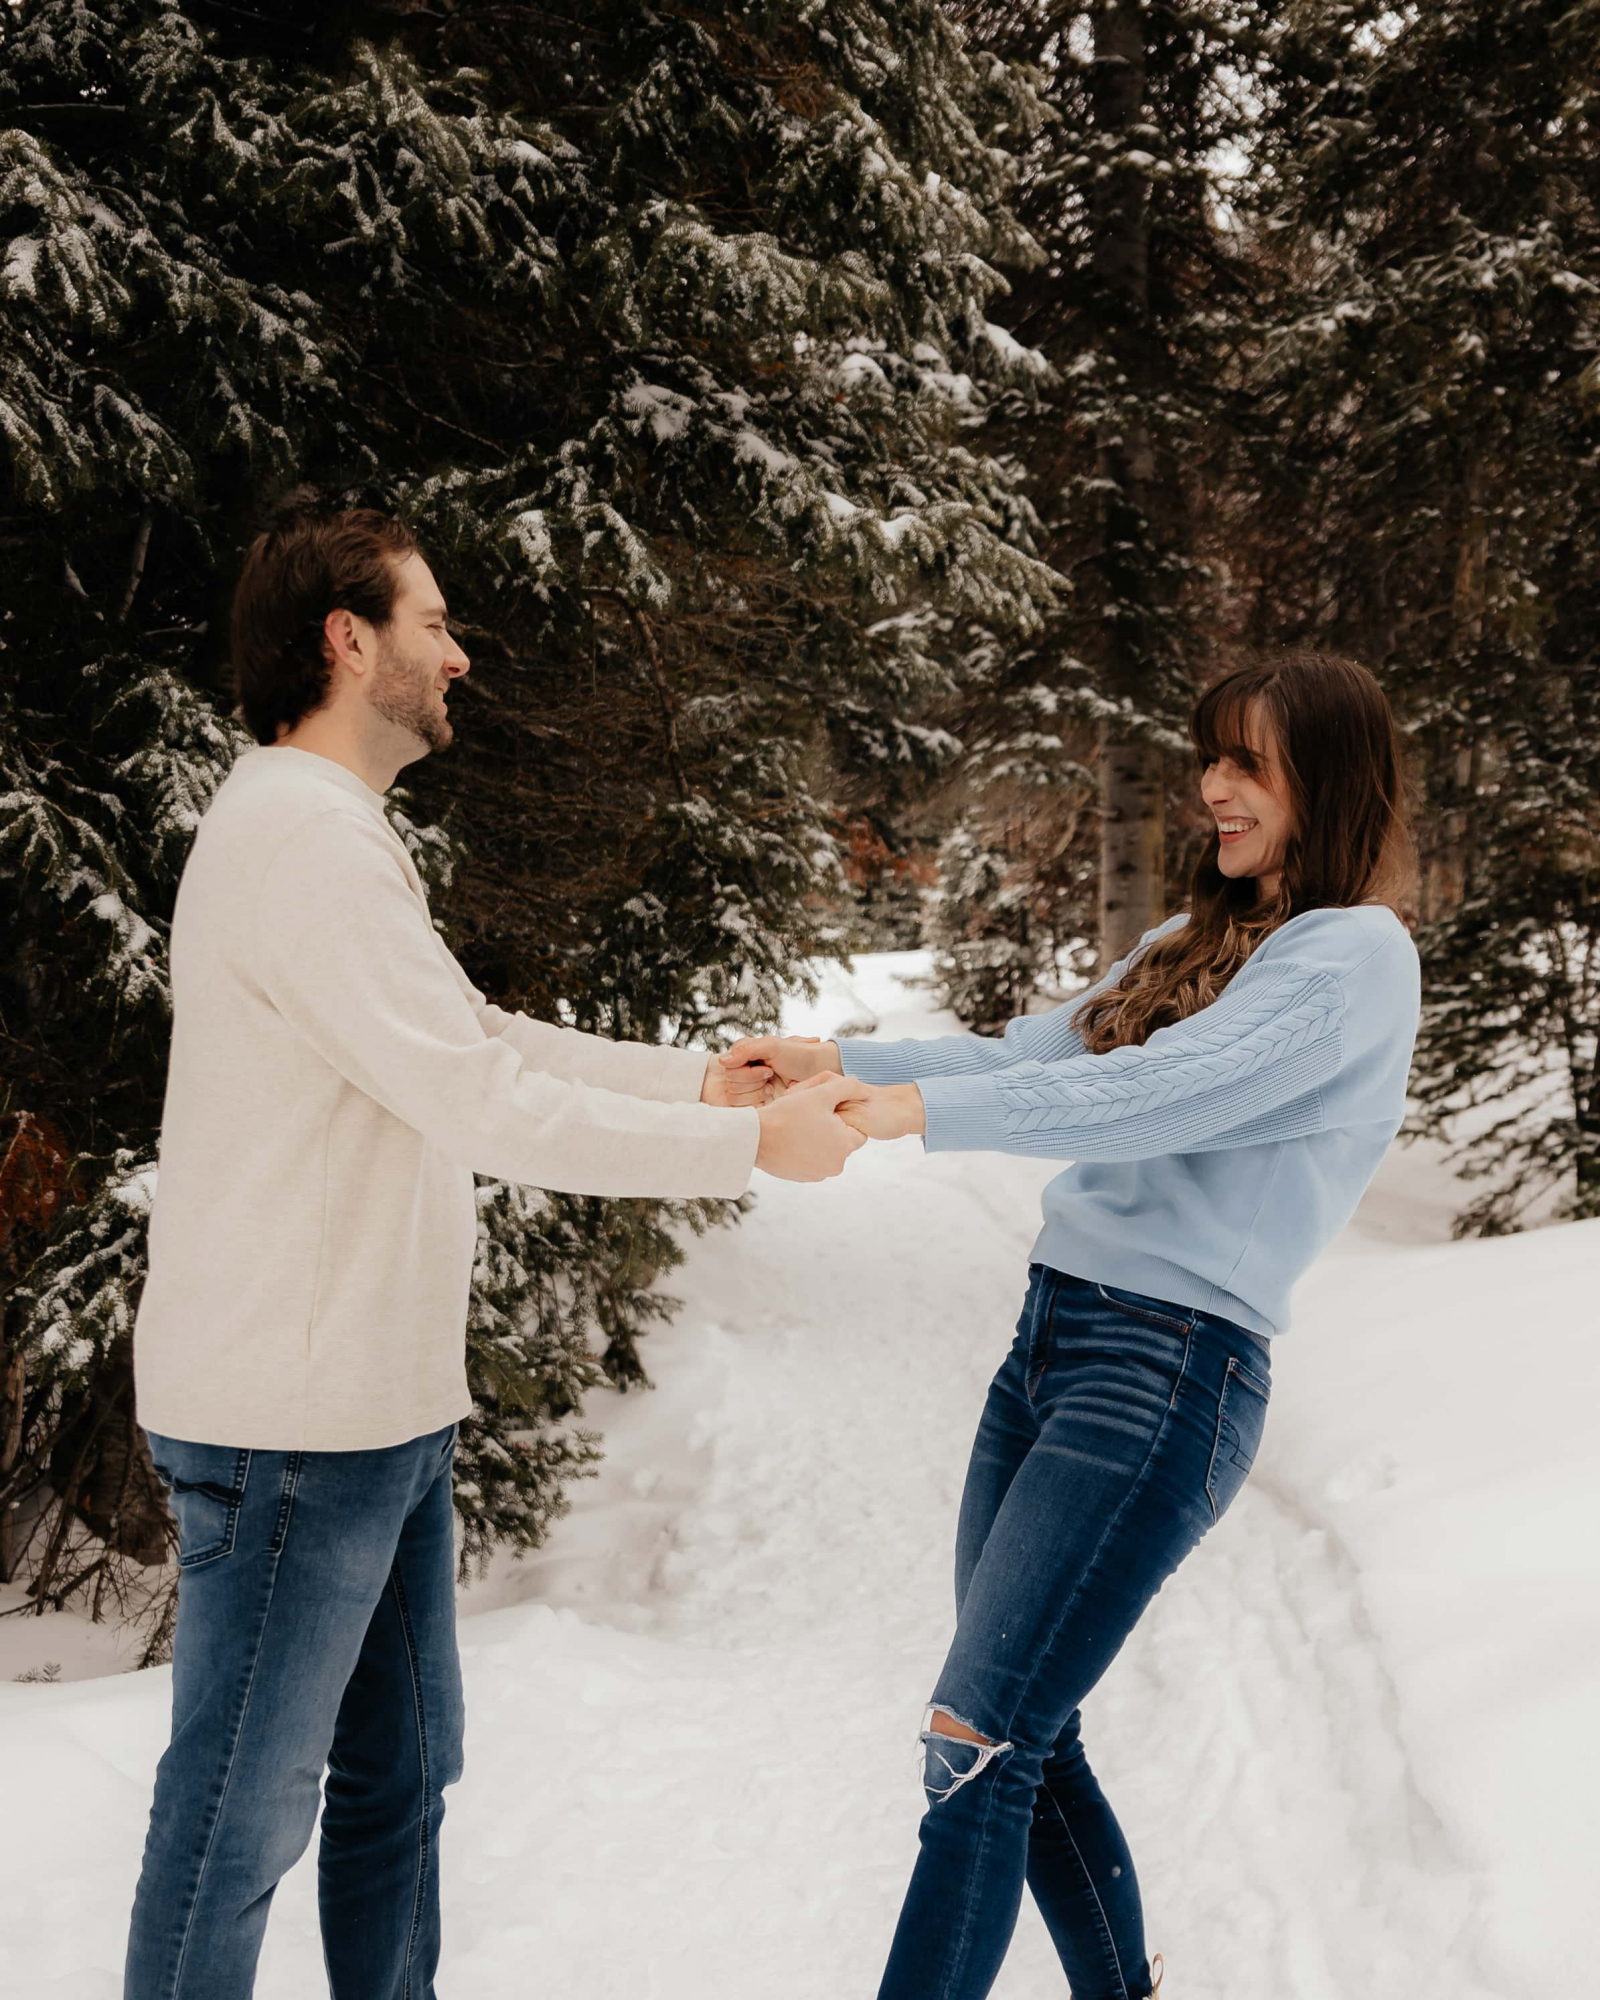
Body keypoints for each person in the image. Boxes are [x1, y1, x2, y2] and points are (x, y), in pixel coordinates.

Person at [123, 502, 863, 2000]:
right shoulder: (299, 839)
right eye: (436, 624)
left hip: (376, 1415)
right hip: (290, 1425)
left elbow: (472, 1036)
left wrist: (699, 1086)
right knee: (237, 1820)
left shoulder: (330, 829)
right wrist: (741, 1154)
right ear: (348, 640)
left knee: (401, 1779)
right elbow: (477, 1099)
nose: (460, 656)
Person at [723, 651, 1421, 2000]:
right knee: (1015, 1741)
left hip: (1167, 1369)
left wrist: (914, 1118)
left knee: (978, 1744)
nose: (1212, 788)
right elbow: (1043, 1054)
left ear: (1328, 779)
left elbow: (1160, 1093)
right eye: (1210, 757)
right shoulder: (1201, 941)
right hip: (1054, 1344)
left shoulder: (1354, 957)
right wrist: (840, 1062)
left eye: (1248, 763)